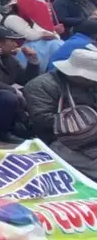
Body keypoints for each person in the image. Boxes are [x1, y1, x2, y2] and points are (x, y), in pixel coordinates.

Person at [25, 48, 97, 179]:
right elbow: (42, 120)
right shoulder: (42, 85)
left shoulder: (91, 85)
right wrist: (85, 123)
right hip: (60, 140)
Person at [3, 0, 64, 72]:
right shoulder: (11, 18)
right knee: (52, 44)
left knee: (54, 43)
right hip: (15, 49)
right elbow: (31, 36)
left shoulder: (30, 17)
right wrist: (51, 33)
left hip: (29, 46)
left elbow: (48, 34)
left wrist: (51, 33)